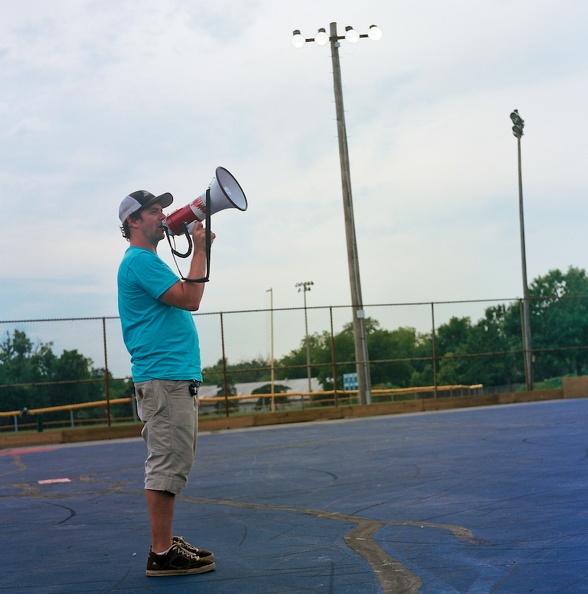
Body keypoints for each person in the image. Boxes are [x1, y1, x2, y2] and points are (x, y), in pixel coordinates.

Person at [117, 189, 216, 577]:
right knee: (167, 462)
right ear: (133, 223)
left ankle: (165, 541)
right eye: (154, 211)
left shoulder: (146, 262)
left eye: (162, 209)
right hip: (165, 377)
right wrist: (201, 248)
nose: (163, 215)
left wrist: (198, 246)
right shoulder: (140, 261)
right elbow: (191, 298)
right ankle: (161, 552)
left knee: (175, 459)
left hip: (170, 376)